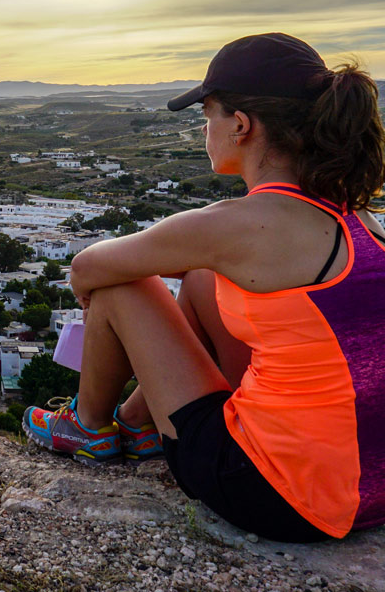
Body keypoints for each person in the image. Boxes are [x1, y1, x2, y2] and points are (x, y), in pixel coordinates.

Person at [21, 32, 385, 542]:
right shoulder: (362, 217)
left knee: (121, 288)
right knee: (201, 276)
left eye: (206, 114)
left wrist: (106, 302)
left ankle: (87, 426)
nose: (204, 128)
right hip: (370, 490)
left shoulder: (237, 225)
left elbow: (86, 269)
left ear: (240, 125)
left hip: (278, 494)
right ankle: (136, 426)